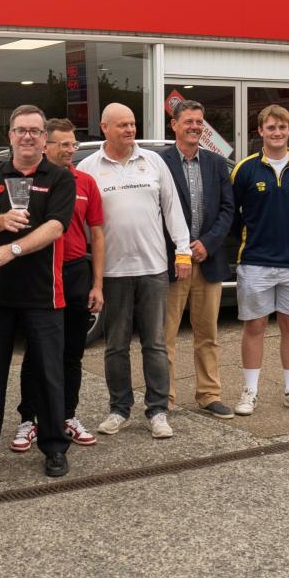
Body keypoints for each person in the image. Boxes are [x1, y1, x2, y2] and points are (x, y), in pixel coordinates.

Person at [0, 105, 76, 477]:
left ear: (44, 139)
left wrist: (12, 249)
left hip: (43, 295)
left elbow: (55, 227)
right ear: (10, 135)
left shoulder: (59, 178)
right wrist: (1, 221)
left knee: (49, 374)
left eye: (35, 131)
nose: (27, 137)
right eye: (21, 130)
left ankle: (54, 447)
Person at [78, 103, 191, 439]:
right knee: (115, 345)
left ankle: (157, 411)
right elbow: (83, 221)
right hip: (113, 271)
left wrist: (182, 252)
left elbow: (172, 209)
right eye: (122, 125)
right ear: (105, 128)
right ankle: (119, 409)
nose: (130, 130)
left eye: (132, 124)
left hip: (153, 268)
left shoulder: (153, 162)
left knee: (155, 343)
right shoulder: (89, 167)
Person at [11, 117, 103, 452]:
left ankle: (67, 415)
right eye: (62, 144)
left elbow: (98, 233)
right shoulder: (32, 181)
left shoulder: (86, 183)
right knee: (36, 352)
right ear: (45, 145)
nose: (69, 150)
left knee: (71, 352)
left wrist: (97, 284)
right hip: (41, 272)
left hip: (76, 272)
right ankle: (29, 419)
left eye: (72, 144)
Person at [230, 104, 289, 416]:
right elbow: (233, 215)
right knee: (254, 325)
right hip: (255, 261)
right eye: (271, 127)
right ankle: (249, 392)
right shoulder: (245, 169)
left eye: (282, 127)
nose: (277, 133)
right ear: (260, 131)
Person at [160, 100, 235, 419]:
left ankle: (209, 394)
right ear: (174, 125)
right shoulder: (158, 162)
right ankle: (164, 398)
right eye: (188, 121)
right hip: (172, 264)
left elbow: (228, 210)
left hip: (208, 261)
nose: (194, 126)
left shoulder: (218, 164)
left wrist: (207, 243)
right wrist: (180, 249)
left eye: (199, 122)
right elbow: (156, 211)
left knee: (208, 334)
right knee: (165, 337)